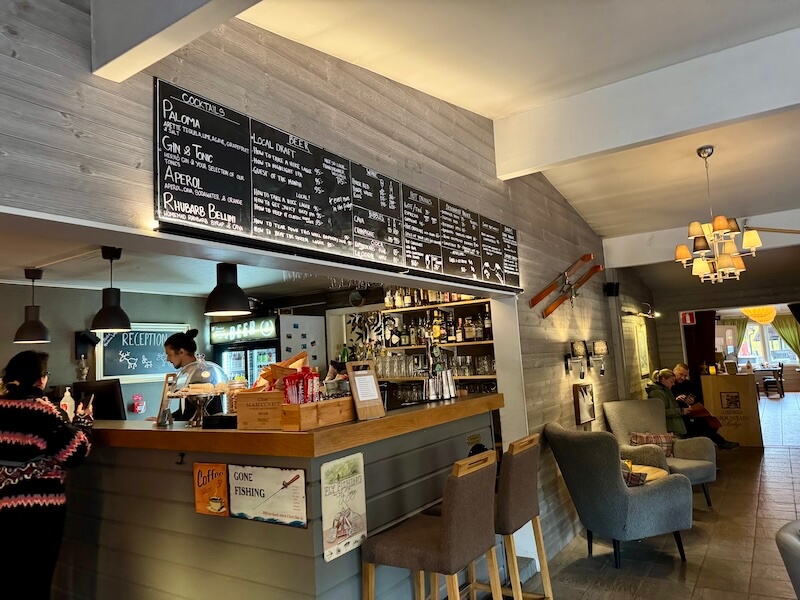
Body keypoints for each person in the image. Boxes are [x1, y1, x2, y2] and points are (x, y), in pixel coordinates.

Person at [0, 350, 93, 599]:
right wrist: (83, 424)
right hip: (38, 511)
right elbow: (74, 454)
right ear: (40, 379)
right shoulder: (41, 411)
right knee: (36, 580)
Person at [673, 363, 739, 449]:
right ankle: (720, 443)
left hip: (690, 410)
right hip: (680, 413)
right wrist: (676, 400)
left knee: (709, 420)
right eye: (681, 374)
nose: (683, 378)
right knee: (701, 426)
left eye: (685, 375)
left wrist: (692, 400)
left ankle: (718, 443)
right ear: (674, 371)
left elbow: (695, 395)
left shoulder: (688, 384)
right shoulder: (670, 385)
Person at [163, 329, 221, 419]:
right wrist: (167, 418)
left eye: (169, 354)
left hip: (205, 429)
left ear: (181, 352)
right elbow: (184, 411)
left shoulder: (202, 374)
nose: (168, 359)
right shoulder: (187, 374)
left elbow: (200, 411)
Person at [646, 368, 686, 436]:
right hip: (669, 428)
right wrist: (681, 411)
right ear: (663, 379)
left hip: (674, 426)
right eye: (671, 381)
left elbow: (667, 404)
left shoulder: (666, 390)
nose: (673, 384)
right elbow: (661, 412)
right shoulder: (657, 393)